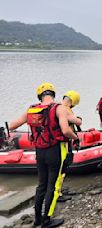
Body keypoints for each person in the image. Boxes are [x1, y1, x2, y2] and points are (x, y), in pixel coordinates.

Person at [9, 83, 79, 227]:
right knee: (51, 186)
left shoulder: (31, 109)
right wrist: (76, 137)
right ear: (53, 94)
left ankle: (37, 219)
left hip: (39, 151)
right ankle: (47, 220)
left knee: (41, 185)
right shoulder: (58, 108)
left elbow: (13, 125)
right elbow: (65, 131)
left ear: (40, 95)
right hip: (55, 150)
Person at [57, 91, 82, 203]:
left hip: (58, 143)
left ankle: (58, 190)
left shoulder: (56, 107)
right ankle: (57, 193)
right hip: (63, 143)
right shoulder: (65, 110)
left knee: (61, 168)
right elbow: (77, 121)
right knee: (62, 167)